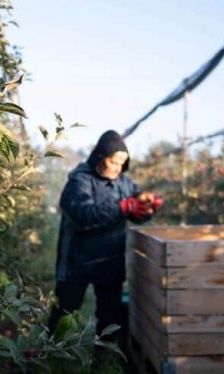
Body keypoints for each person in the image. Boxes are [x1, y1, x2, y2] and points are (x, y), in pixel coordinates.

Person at [49, 130, 162, 347]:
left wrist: (146, 208)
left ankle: (103, 366)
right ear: (101, 157)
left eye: (122, 163)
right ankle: (47, 360)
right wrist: (123, 207)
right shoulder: (79, 181)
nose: (118, 167)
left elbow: (136, 203)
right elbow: (83, 215)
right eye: (114, 161)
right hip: (77, 262)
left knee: (110, 319)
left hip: (110, 262)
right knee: (64, 314)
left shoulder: (124, 183)